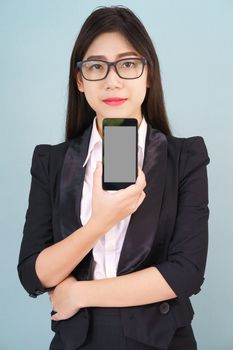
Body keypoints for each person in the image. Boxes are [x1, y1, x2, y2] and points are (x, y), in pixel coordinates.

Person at [17, 5, 210, 350]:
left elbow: (186, 272)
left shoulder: (184, 157)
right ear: (79, 80)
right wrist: (101, 221)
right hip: (77, 341)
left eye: (128, 63)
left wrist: (79, 293)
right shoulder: (52, 161)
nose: (112, 80)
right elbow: (34, 274)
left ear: (149, 75)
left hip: (161, 339)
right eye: (95, 66)